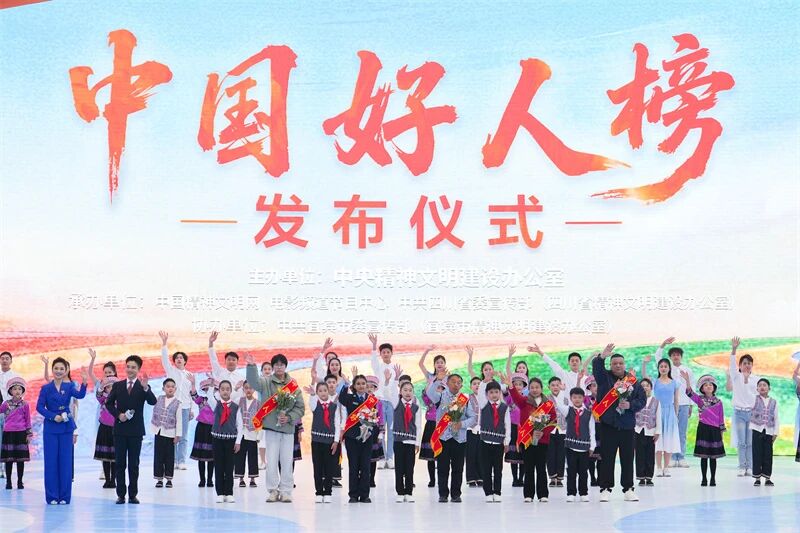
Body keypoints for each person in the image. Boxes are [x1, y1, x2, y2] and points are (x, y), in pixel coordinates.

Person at [245, 352, 305, 503]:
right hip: (271, 429)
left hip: (288, 430)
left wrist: (289, 417)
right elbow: (253, 382)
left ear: (285, 366)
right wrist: (251, 366)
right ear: (272, 367)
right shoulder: (266, 382)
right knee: (271, 461)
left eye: (281, 364)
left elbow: (301, 408)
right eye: (276, 365)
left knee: (287, 461)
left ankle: (286, 491)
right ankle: (272, 490)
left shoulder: (293, 386)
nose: (279, 367)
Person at [592, 344, 646, 502]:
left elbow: (641, 400)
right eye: (614, 363)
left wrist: (630, 405)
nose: (618, 366)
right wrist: (602, 357)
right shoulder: (604, 378)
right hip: (608, 425)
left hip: (627, 426)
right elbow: (597, 368)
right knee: (607, 458)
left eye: (620, 363)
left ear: (624, 364)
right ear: (610, 365)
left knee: (628, 459)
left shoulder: (633, 381)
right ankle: (605, 488)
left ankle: (628, 489)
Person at [105, 355, 157, 504]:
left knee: (134, 464)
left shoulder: (143, 386)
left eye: (133, 367)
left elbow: (152, 401)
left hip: (136, 431)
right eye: (128, 366)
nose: (130, 369)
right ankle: (121, 494)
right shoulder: (118, 385)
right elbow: (109, 404)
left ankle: (133, 494)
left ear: (138, 369)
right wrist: (118, 415)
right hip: (120, 430)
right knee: (120, 463)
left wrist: (146, 388)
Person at [36, 357, 88, 504]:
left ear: (66, 371)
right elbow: (39, 407)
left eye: (61, 369)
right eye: (56, 368)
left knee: (65, 461)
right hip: (51, 428)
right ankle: (52, 496)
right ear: (52, 370)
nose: (58, 371)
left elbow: (80, 395)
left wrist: (84, 382)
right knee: (51, 461)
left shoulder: (70, 386)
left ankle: (65, 496)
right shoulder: (46, 388)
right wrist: (53, 417)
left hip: (66, 427)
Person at [426, 373, 478, 503]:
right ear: (447, 383)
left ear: (461, 385)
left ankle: (456, 494)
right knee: (442, 468)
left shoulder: (464, 399)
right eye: (453, 382)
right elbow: (430, 393)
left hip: (460, 439)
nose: (456, 384)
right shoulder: (441, 396)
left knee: (458, 468)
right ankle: (443, 494)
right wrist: (437, 380)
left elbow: (473, 418)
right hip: (443, 437)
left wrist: (462, 424)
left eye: (459, 382)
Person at [338, 371, 378, 503]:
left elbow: (375, 417)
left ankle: (365, 495)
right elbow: (341, 398)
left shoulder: (371, 400)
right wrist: (345, 384)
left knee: (365, 466)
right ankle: (353, 495)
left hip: (367, 437)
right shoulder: (350, 398)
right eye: (358, 384)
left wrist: (372, 431)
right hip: (352, 437)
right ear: (354, 386)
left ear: (366, 385)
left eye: (363, 383)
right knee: (354, 466)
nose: (361, 386)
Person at [681, 372, 725, 486]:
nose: (708, 386)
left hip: (715, 430)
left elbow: (721, 418)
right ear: (702, 388)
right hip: (703, 429)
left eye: (710, 384)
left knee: (713, 457)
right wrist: (687, 380)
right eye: (705, 385)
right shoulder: (700, 400)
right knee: (704, 456)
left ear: (714, 387)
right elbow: (689, 393)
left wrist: (721, 432)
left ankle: (713, 478)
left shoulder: (719, 402)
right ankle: (704, 478)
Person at [158, 331, 194, 470]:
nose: (179, 359)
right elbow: (164, 360)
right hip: (172, 408)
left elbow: (191, 393)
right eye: (177, 358)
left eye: (181, 358)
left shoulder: (190, 375)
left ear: (185, 361)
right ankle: (171, 460)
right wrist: (164, 343)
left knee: (183, 436)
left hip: (185, 408)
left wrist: (191, 410)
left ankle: (181, 460)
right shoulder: (171, 371)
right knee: (172, 435)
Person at [641, 352, 681, 477]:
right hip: (656, 413)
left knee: (668, 441)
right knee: (657, 441)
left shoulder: (675, 383)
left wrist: (676, 415)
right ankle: (658, 467)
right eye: (661, 366)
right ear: (658, 368)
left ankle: (666, 467)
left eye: (665, 366)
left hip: (670, 414)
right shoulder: (655, 382)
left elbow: (676, 400)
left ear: (669, 368)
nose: (663, 368)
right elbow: (644, 377)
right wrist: (644, 363)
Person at [386, 371, 423, 502]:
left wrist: (417, 442)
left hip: (411, 441)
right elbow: (389, 392)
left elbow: (418, 425)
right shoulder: (396, 402)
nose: (408, 392)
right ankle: (400, 492)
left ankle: (409, 492)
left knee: (409, 468)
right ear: (400, 392)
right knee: (399, 467)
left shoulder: (416, 405)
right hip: (398, 440)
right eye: (405, 390)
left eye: (410, 390)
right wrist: (393, 380)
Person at [556, 387, 596, 502]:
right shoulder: (568, 410)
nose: (577, 399)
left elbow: (592, 430)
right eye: (574, 397)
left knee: (583, 472)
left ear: (583, 398)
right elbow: (559, 404)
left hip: (584, 447)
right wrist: (562, 391)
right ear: (571, 398)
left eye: (579, 397)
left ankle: (583, 493)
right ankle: (571, 493)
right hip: (570, 446)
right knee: (571, 471)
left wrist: (592, 446)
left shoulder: (588, 413)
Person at [206, 380, 243, 502]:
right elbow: (209, 397)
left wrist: (238, 442)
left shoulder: (236, 407)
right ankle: (220, 493)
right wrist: (211, 387)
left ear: (231, 391)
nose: (225, 391)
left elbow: (240, 425)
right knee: (219, 466)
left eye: (227, 389)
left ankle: (229, 492)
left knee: (229, 467)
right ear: (219, 391)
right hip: (217, 439)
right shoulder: (216, 405)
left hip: (231, 441)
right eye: (222, 389)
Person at [475, 380, 511, 502]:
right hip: (485, 442)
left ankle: (497, 492)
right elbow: (480, 392)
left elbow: (507, 425)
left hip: (498, 443)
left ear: (500, 393)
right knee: (486, 469)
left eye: (496, 392)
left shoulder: (504, 407)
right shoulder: (484, 404)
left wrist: (506, 441)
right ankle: (488, 493)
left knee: (498, 469)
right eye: (491, 392)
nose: (494, 395)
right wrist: (484, 381)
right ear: (487, 394)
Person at [306, 380, 340, 503]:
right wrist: (312, 394)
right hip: (317, 441)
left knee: (329, 467)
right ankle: (319, 492)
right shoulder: (315, 405)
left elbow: (337, 424)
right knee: (318, 467)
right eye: (320, 391)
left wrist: (336, 441)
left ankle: (328, 492)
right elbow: (311, 403)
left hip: (330, 441)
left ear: (328, 391)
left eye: (325, 390)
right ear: (317, 393)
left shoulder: (334, 406)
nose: (323, 393)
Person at [729, 336, 759, 476]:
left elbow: (758, 397)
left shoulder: (756, 379)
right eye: (744, 363)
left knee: (750, 442)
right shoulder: (736, 377)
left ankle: (750, 466)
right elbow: (732, 365)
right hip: (739, 413)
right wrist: (734, 349)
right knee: (742, 442)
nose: (747, 365)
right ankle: (742, 466)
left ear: (752, 366)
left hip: (752, 414)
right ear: (740, 366)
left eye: (749, 363)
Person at [418, 346, 447, 487]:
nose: (439, 364)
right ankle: (432, 479)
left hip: (443, 422)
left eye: (442, 362)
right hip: (431, 420)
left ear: (445, 364)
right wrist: (427, 351)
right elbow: (420, 364)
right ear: (434, 365)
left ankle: (442, 478)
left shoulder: (448, 379)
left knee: (442, 453)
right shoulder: (430, 377)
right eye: (437, 362)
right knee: (430, 453)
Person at [369, 333, 398, 469]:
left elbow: (396, 387)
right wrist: (374, 345)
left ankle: (390, 457)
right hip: (379, 402)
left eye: (388, 352)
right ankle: (382, 457)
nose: (386, 354)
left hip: (391, 403)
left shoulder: (395, 368)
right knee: (380, 431)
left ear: (391, 353)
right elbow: (373, 360)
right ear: (380, 354)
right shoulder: (378, 367)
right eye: (383, 352)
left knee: (391, 431)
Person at [664, 338, 693, 468]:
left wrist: (691, 404)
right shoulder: (667, 369)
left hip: (684, 404)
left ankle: (681, 457)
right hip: (670, 404)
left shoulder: (687, 370)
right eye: (673, 355)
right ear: (670, 357)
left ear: (681, 356)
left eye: (678, 355)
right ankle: (671, 457)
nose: (676, 357)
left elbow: (691, 387)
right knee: (670, 431)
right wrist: (663, 344)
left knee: (682, 431)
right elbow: (658, 358)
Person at [150, 378, 182, 488]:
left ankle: (169, 479)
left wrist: (178, 435)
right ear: (163, 388)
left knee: (169, 457)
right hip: (159, 432)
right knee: (158, 456)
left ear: (175, 389)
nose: (170, 388)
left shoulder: (178, 403)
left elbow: (179, 420)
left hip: (170, 433)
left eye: (172, 387)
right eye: (168, 386)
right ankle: (159, 479)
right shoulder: (159, 399)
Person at [1, 377, 31, 489]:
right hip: (8, 433)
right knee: (8, 460)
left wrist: (29, 434)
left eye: (19, 389)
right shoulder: (6, 404)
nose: (17, 391)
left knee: (20, 460)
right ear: (10, 391)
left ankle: (20, 482)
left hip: (21, 433)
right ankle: (8, 482)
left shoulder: (25, 404)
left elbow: (28, 420)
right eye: (15, 389)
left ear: (22, 391)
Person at [750, 378, 779, 486]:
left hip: (769, 431)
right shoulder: (754, 399)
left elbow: (776, 418)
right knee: (757, 453)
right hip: (757, 430)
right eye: (760, 385)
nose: (762, 387)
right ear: (757, 389)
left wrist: (775, 432)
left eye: (764, 385)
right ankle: (757, 478)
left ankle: (767, 478)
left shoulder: (774, 402)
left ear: (769, 388)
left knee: (768, 455)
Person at [189, 375, 216, 487]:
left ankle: (210, 480)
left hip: (213, 429)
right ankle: (202, 480)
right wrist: (193, 384)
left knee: (211, 456)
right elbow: (194, 396)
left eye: (210, 387)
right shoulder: (201, 399)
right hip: (201, 428)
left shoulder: (216, 400)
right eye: (206, 387)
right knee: (201, 457)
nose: (207, 389)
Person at [634, 378, 661, 486]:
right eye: (642, 386)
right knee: (639, 455)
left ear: (651, 388)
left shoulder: (656, 401)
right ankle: (641, 477)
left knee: (650, 455)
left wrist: (658, 432)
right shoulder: (636, 401)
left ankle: (649, 477)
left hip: (651, 431)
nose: (645, 387)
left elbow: (658, 417)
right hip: (638, 430)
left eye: (647, 385)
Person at [94, 376, 118, 488]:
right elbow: (98, 396)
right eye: (108, 387)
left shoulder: (120, 399)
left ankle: (113, 480)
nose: (111, 389)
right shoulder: (103, 398)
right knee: (105, 456)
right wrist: (101, 387)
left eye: (113, 387)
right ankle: (107, 479)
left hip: (116, 429)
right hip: (104, 428)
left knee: (115, 457)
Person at [0, 351, 20, 482]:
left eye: (7, 358)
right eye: (2, 358)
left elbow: (19, 395)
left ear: (11, 361)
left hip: (10, 414)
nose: (4, 360)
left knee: (8, 442)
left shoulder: (15, 377)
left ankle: (7, 468)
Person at [236, 381, 260, 487]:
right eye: (246, 388)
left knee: (252, 457)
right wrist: (236, 388)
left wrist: (259, 435)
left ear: (254, 389)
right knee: (240, 456)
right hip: (241, 434)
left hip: (252, 434)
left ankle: (252, 479)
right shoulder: (240, 401)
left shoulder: (258, 403)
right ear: (243, 389)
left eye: (251, 388)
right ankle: (241, 478)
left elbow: (260, 420)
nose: (248, 390)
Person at [208, 331, 243, 401]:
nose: (231, 361)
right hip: (221, 404)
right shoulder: (220, 372)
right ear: (225, 361)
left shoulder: (241, 378)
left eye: (233, 360)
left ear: (237, 362)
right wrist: (211, 343)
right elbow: (213, 360)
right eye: (229, 359)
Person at [258, 360, 272, 470]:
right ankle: (263, 461)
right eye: (265, 369)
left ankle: (271, 461)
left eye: (269, 369)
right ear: (261, 371)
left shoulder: (275, 382)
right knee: (261, 439)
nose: (267, 371)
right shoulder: (259, 382)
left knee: (272, 439)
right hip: (261, 413)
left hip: (273, 413)